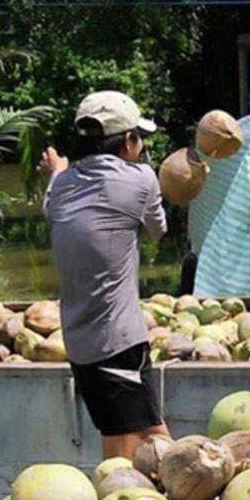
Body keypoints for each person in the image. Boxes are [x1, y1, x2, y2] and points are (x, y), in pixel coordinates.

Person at [37, 90, 172, 459]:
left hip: (80, 343)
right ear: (128, 141)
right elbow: (156, 230)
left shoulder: (58, 188)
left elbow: (58, 202)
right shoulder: (141, 179)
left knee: (155, 436)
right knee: (123, 461)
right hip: (117, 342)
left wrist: (57, 174)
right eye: (139, 139)